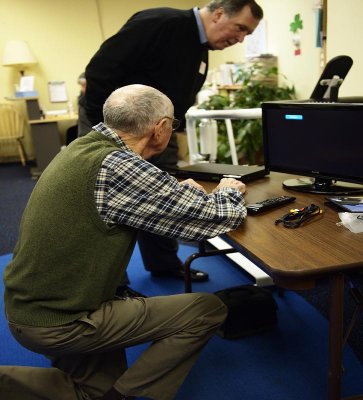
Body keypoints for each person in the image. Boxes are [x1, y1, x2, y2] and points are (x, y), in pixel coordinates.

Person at [2, 84, 248, 400]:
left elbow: (127, 195)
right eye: (172, 125)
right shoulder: (118, 165)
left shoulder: (84, 148)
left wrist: (173, 190)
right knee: (207, 309)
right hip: (63, 322)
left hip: (30, 309)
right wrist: (228, 189)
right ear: (160, 129)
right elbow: (215, 219)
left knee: (90, 392)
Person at [79, 0, 263, 284]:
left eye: (246, 35)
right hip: (115, 129)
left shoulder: (201, 46)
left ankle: (163, 264)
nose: (240, 38)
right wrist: (104, 130)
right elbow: (100, 70)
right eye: (240, 28)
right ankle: (109, 284)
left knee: (163, 190)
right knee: (104, 203)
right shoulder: (162, 22)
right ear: (217, 15)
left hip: (158, 132)